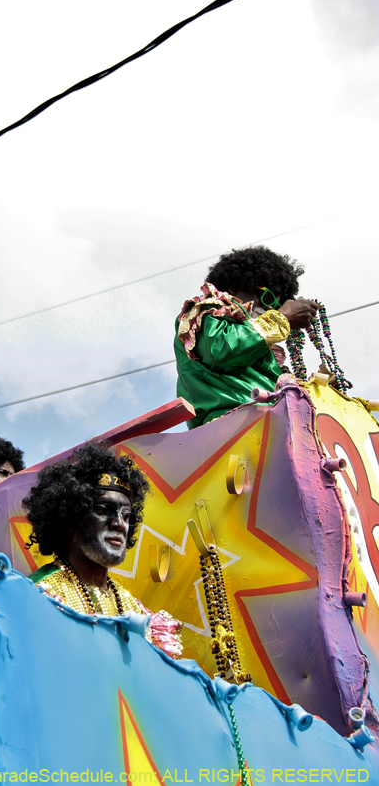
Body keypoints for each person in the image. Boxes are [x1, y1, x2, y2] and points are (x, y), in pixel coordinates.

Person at [22, 443, 183, 659]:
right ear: (70, 518)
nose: (119, 524)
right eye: (103, 510)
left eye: (126, 516)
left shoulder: (133, 608)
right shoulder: (39, 595)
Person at [174, 245, 319, 429]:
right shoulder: (206, 310)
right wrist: (281, 318)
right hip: (228, 426)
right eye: (268, 299)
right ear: (234, 288)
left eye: (276, 306)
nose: (269, 310)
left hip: (269, 424)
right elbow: (220, 351)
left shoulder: (258, 341)